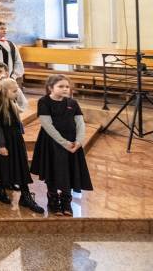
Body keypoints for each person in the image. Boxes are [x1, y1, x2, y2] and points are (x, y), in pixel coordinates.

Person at [30, 75, 92, 216]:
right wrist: (64, 143)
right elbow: (47, 125)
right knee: (52, 170)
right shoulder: (44, 102)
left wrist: (79, 141)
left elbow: (80, 123)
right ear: (50, 88)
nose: (65, 89)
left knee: (69, 171)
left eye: (67, 86)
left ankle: (66, 201)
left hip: (72, 142)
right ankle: (53, 200)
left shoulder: (73, 103)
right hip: (52, 142)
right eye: (61, 86)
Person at [0, 78, 44, 213]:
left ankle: (25, 196)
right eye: (14, 91)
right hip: (4, 142)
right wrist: (1, 145)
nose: (17, 93)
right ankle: (0, 189)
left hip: (15, 141)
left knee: (21, 167)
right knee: (3, 167)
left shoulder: (12, 103)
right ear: (4, 92)